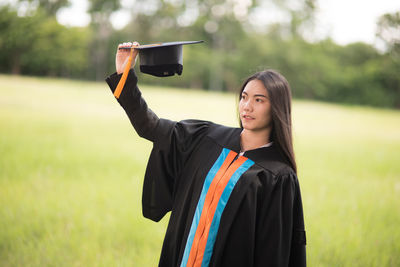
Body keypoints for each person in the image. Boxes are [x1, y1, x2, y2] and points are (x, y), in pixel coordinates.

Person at [105, 41, 307, 267]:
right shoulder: (206, 138)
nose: (247, 106)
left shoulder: (278, 176)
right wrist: (125, 74)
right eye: (244, 97)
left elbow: (273, 252)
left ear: (277, 108)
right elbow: (151, 127)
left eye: (259, 100)